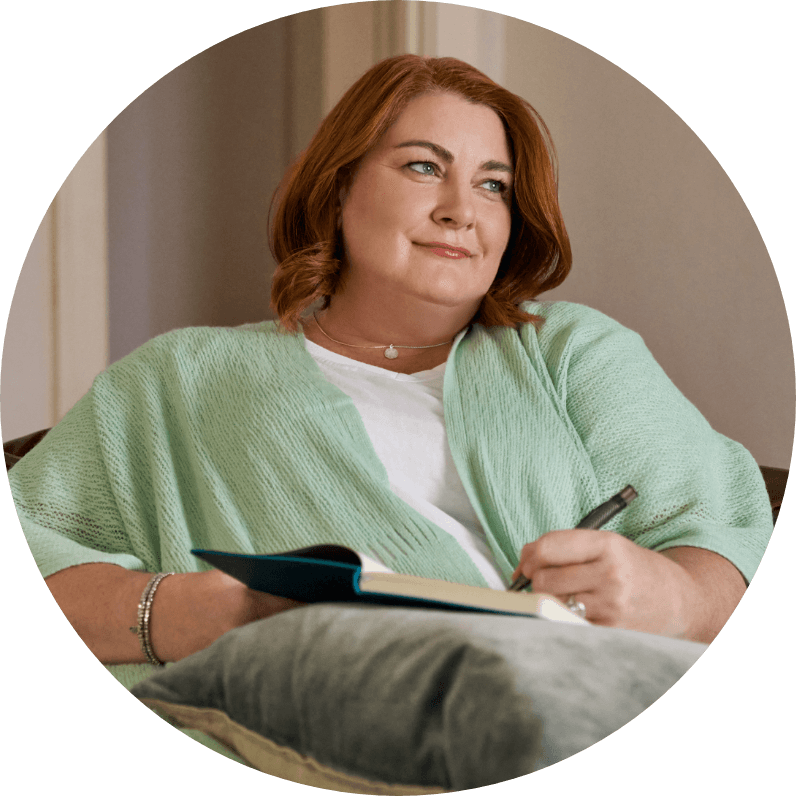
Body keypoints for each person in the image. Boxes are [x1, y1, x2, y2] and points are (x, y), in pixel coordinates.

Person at [10, 56, 772, 692]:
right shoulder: (177, 381)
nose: (461, 210)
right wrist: (176, 614)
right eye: (423, 167)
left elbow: (725, 535)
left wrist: (671, 596)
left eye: (493, 185)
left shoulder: (574, 351)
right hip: (305, 721)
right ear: (339, 186)